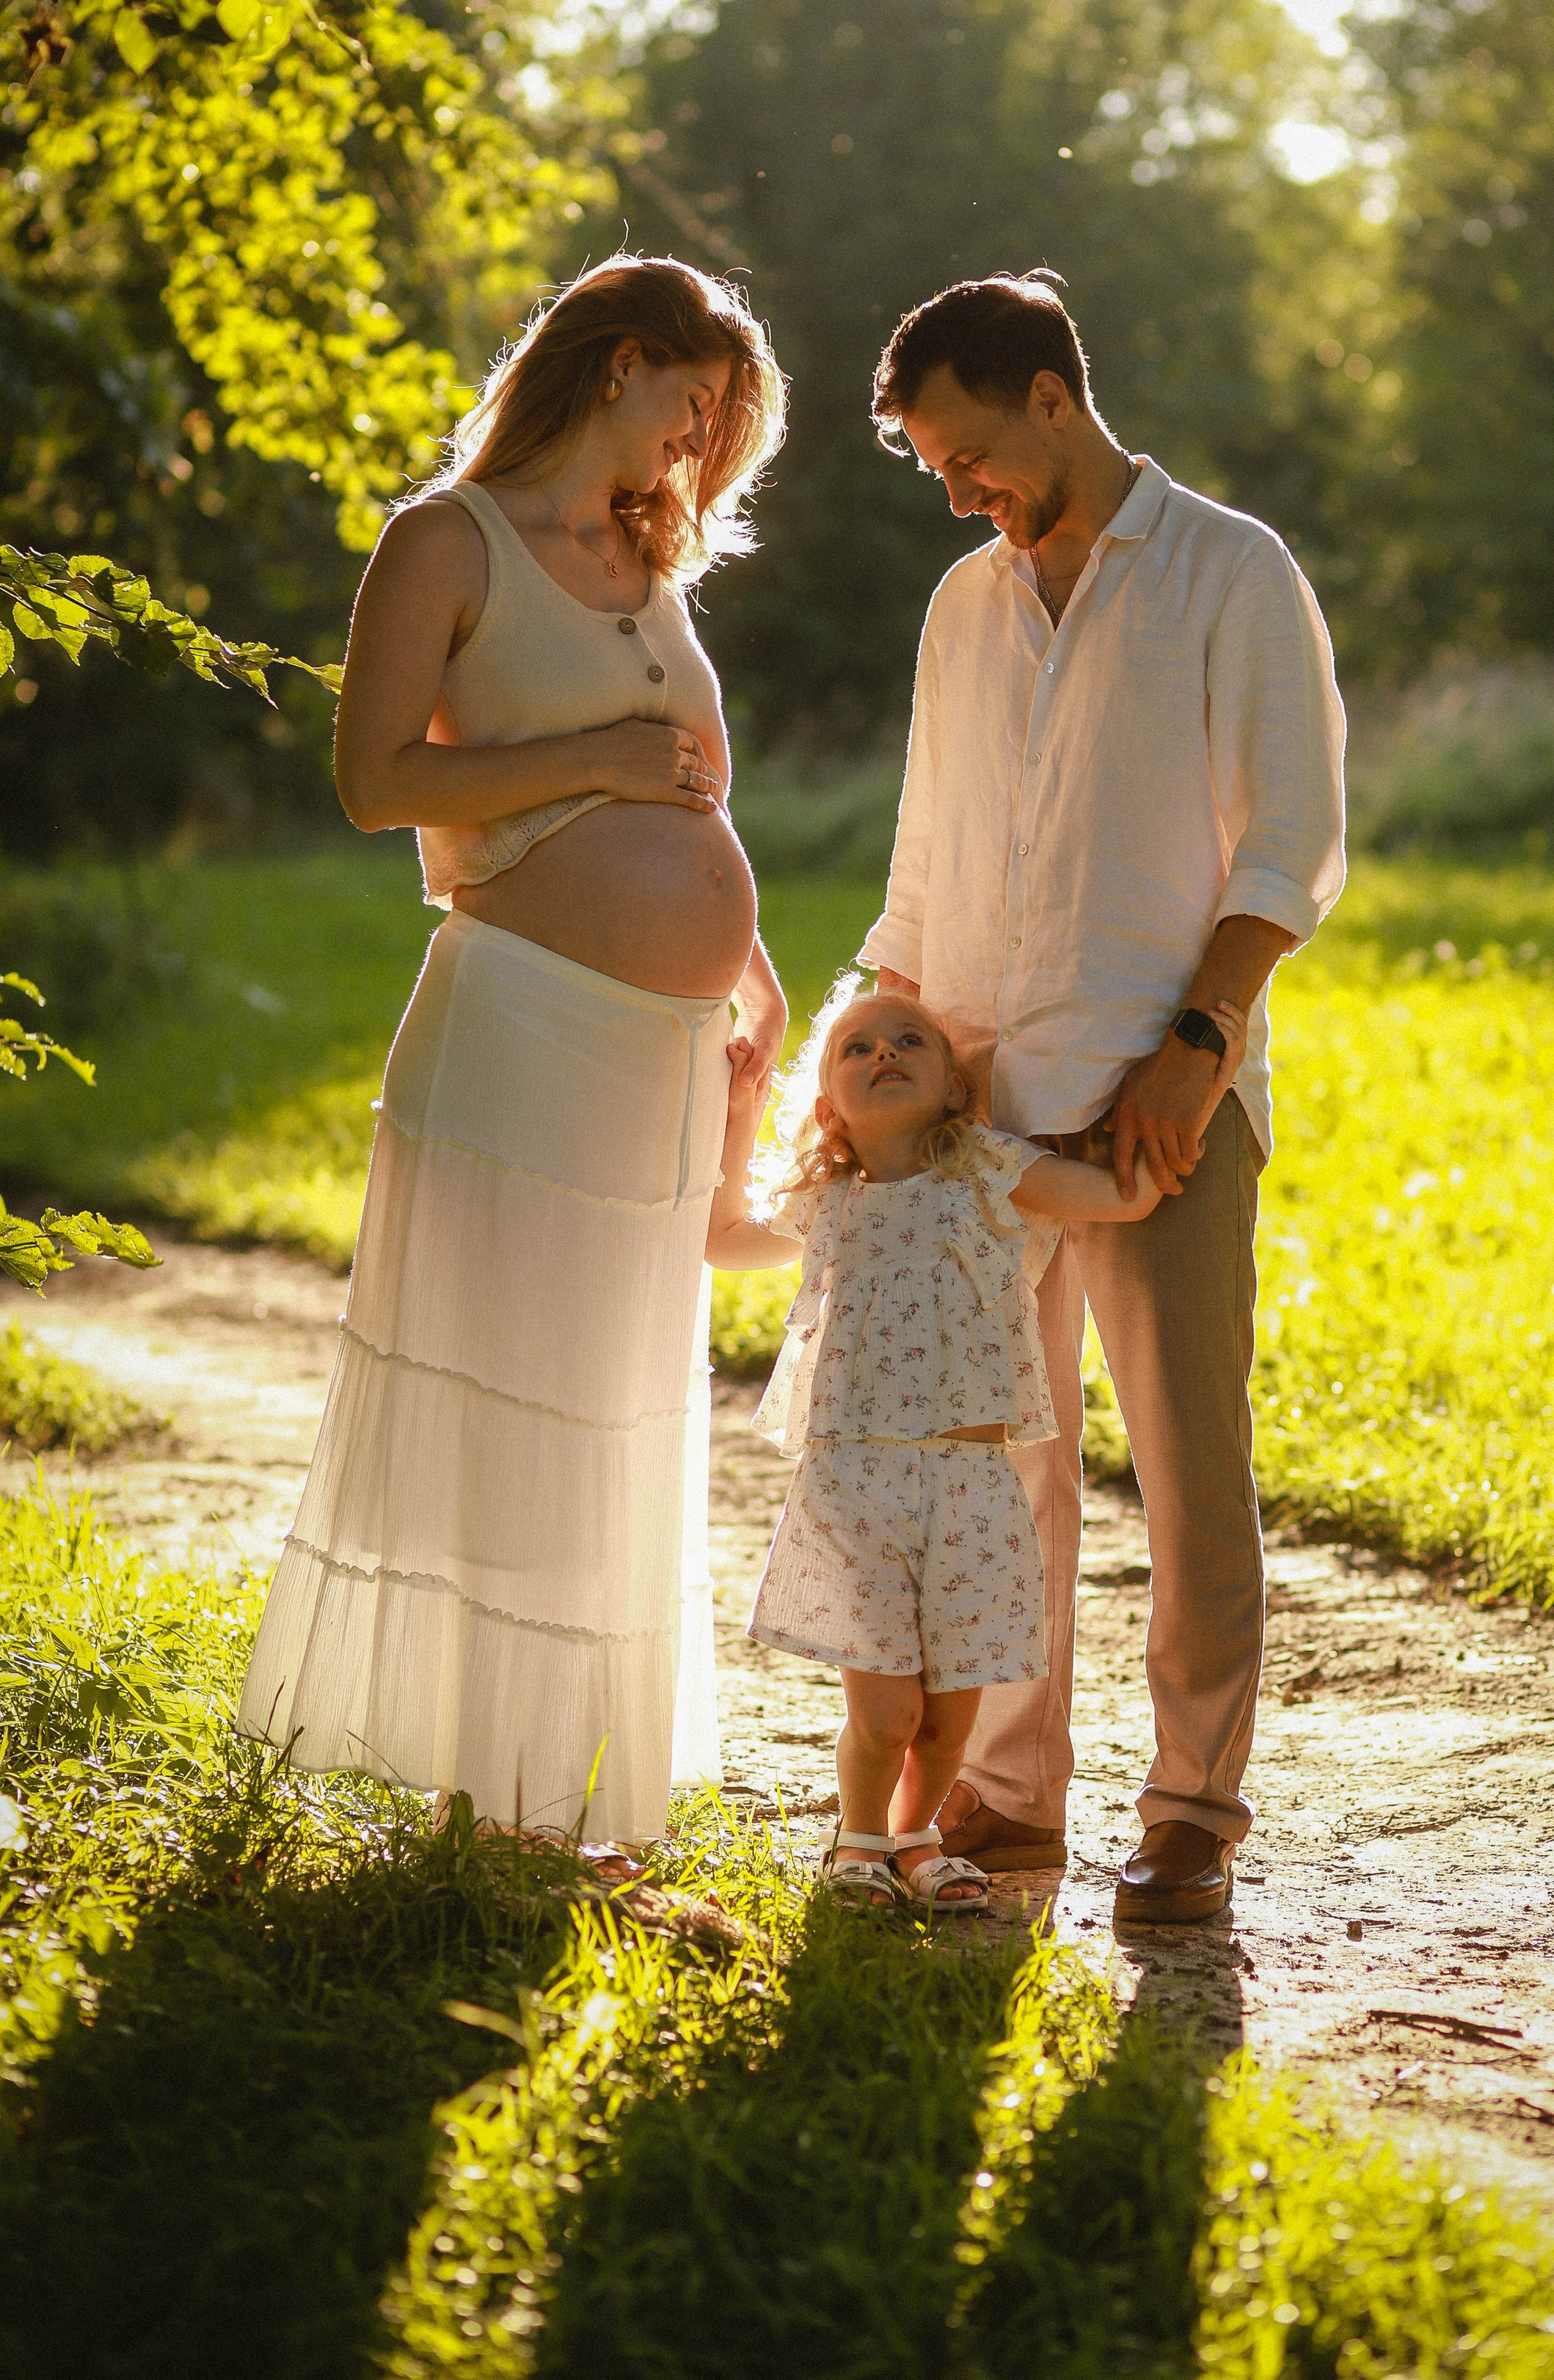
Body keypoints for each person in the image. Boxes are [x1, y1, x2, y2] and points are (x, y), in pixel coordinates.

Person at [238, 250, 789, 1855]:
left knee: (621, 1412)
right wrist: (595, 757)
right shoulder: (446, 541)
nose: (694, 449)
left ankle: (576, 1821)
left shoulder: (646, 561)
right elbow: (373, 781)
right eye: (689, 406)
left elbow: (681, 788)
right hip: (526, 1030)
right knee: (526, 1411)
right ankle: (500, 1826)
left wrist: (743, 963)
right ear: (614, 364)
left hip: (666, 1047)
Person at [861, 272, 1346, 1927]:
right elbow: (925, 861)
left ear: (1050, 399)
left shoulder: (1230, 571)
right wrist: (876, 1047)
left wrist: (1199, 1039)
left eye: (966, 452)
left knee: (1190, 1472)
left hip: (1161, 1111)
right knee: (1004, 1477)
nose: (954, 488)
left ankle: (1192, 1809)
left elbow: (1291, 841)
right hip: (978, 1127)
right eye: (934, 468)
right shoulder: (957, 607)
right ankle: (1007, 1802)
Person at [707, 982, 1205, 1911]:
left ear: (952, 1089)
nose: (884, 1052)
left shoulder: (989, 1171)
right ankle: (856, 1846)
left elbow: (1123, 1196)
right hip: (857, 1481)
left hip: (973, 1484)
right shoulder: (827, 1202)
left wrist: (1187, 1096)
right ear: (828, 1109)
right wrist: (739, 1112)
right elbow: (720, 1238)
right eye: (857, 1048)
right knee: (887, 1708)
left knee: (949, 1716)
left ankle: (916, 1838)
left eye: (910, 1041)